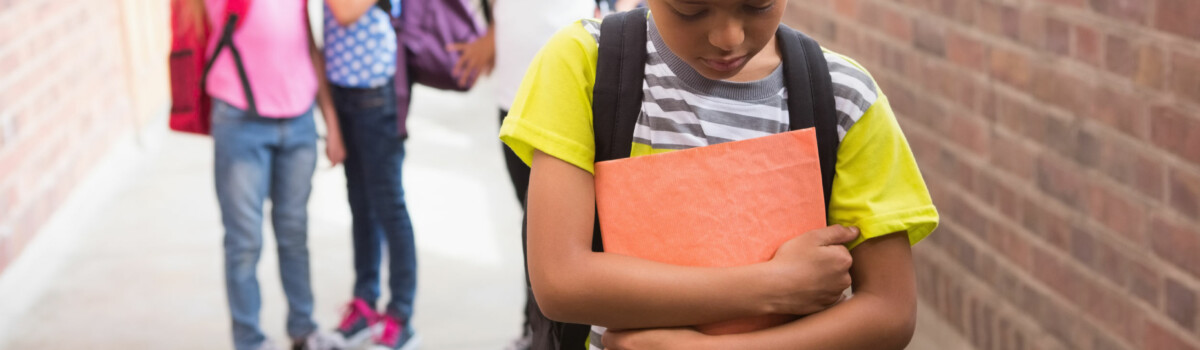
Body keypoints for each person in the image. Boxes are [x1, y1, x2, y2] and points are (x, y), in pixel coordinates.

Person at [498, 0, 940, 348]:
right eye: (691, 9)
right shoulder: (586, 65)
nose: (728, 37)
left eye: (757, 6)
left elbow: (890, 312)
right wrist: (770, 285)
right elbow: (560, 281)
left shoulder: (844, 98)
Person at [448, 0, 596, 349]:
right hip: (513, 95)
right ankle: (535, 331)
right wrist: (493, 33)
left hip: (574, 93)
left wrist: (617, 21)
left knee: (561, 230)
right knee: (535, 226)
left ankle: (548, 334)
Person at [199, 0, 346, 348]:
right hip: (240, 117)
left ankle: (304, 328)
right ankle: (249, 339)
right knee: (244, 241)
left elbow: (307, 41)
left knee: (294, 232)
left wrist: (331, 122)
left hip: (298, 120)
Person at [321, 0, 421, 349]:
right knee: (360, 207)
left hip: (378, 92)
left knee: (389, 207)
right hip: (342, 87)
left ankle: (401, 315)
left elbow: (344, 11)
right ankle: (364, 304)